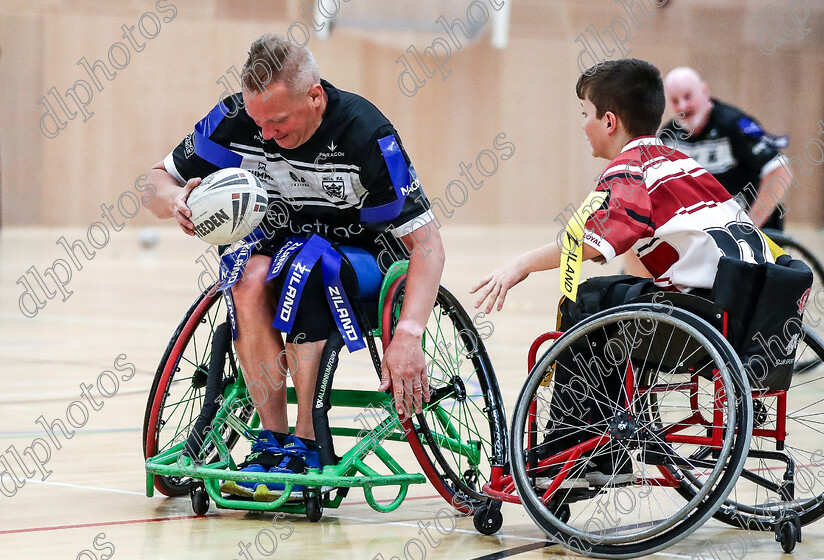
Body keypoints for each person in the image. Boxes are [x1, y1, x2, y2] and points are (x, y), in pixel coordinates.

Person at [143, 34, 444, 499]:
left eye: (278, 121)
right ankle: (273, 441)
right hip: (281, 245)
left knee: (309, 271)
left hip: (365, 255)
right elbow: (154, 183)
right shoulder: (237, 118)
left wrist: (408, 332)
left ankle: (307, 441)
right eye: (258, 122)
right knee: (245, 277)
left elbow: (427, 245)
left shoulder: (366, 133)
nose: (265, 135)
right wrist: (175, 200)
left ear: (315, 96)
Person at [471, 58, 783, 487]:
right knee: (619, 295)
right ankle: (603, 441)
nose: (582, 125)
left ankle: (583, 451)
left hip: (704, 324)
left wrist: (522, 264)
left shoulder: (629, 167)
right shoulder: (681, 162)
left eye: (586, 114)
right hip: (752, 314)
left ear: (610, 120)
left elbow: (597, 244)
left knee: (590, 300)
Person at [659, 67, 792, 231]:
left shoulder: (736, 123)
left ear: (704, 91)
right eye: (674, 100)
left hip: (755, 232)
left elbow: (780, 170)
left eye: (688, 96)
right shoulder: (667, 138)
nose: (683, 106)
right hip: (710, 235)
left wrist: (750, 227)